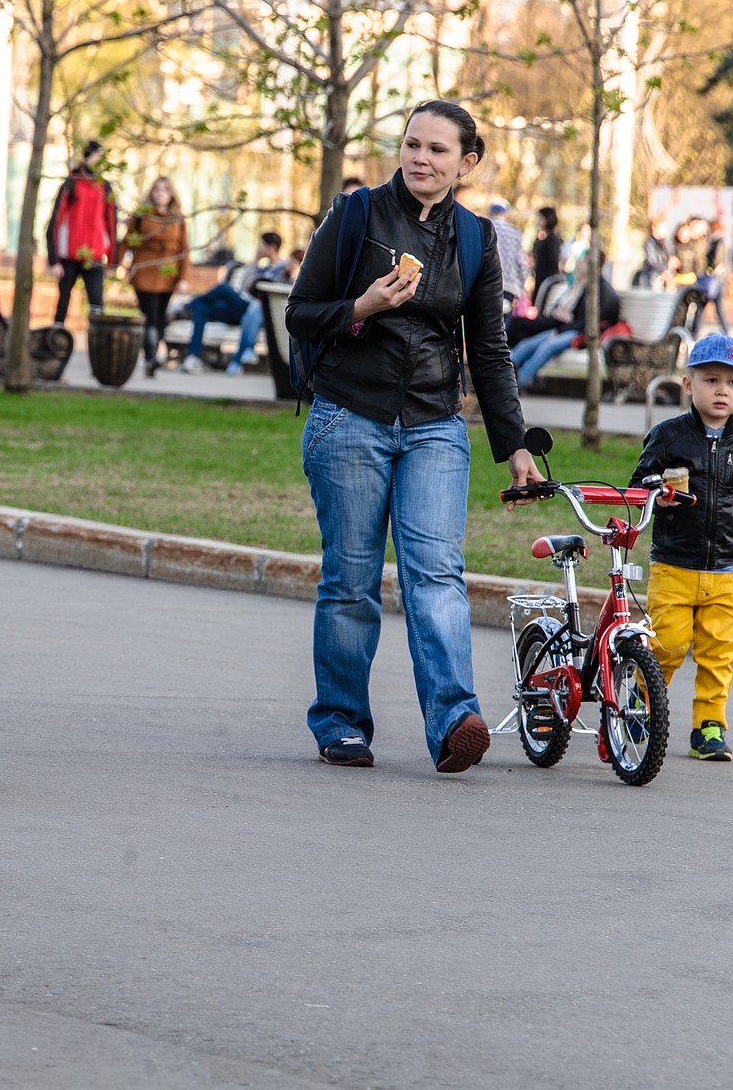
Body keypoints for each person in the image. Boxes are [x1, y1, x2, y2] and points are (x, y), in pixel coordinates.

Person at [285, 99, 539, 772]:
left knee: (437, 577)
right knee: (352, 578)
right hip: (349, 418)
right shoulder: (357, 215)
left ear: (467, 162)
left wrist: (513, 443)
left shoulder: (477, 240)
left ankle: (455, 719)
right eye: (412, 145)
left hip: (433, 425)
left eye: (437, 150)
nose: (421, 159)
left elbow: (488, 351)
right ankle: (340, 722)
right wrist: (363, 306)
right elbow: (300, 313)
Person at [630, 333, 733, 761]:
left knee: (718, 652)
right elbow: (638, 485)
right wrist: (655, 490)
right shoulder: (669, 437)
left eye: (729, 383)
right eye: (711, 380)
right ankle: (641, 700)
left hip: (726, 569)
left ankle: (709, 727)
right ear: (689, 385)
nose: (722, 391)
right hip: (674, 565)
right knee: (668, 644)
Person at [508, 249, 621, 389]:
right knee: (527, 344)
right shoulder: (584, 285)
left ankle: (515, 385)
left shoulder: (601, 291)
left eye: (584, 262)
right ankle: (500, 374)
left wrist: (561, 329)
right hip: (568, 329)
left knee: (548, 346)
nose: (580, 265)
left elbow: (588, 323)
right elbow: (570, 313)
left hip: (582, 334)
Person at [180, 231, 286, 376]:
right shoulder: (260, 267)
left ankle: (186, 306)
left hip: (254, 311)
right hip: (240, 309)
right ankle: (193, 356)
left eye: (262, 245)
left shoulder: (283, 267)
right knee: (202, 308)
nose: (259, 248)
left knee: (224, 289)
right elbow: (247, 285)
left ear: (271, 247)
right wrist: (255, 261)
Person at [114, 176, 191, 376]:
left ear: (171, 193)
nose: (160, 194)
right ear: (151, 192)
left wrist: (183, 278)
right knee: (150, 315)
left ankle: (152, 353)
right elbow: (127, 241)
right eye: (157, 190)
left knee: (160, 318)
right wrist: (120, 264)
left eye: (165, 190)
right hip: (144, 272)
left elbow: (184, 250)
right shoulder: (142, 215)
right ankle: (151, 358)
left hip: (168, 274)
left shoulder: (177, 219)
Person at [46, 139, 118, 323]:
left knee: (97, 306)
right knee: (62, 303)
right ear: (89, 156)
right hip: (69, 256)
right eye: (97, 156)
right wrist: (54, 259)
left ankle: (98, 345)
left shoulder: (105, 187)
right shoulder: (71, 183)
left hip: (93, 257)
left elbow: (111, 224)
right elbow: (55, 221)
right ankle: (56, 339)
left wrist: (112, 260)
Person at [488, 199, 527, 305]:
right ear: (505, 213)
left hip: (486, 283)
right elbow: (522, 263)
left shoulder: (484, 228)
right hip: (509, 286)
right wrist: (521, 286)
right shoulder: (515, 232)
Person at [530, 205, 562, 295]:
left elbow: (553, 261)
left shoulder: (552, 239)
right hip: (539, 276)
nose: (538, 220)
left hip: (547, 278)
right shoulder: (540, 237)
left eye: (540, 218)